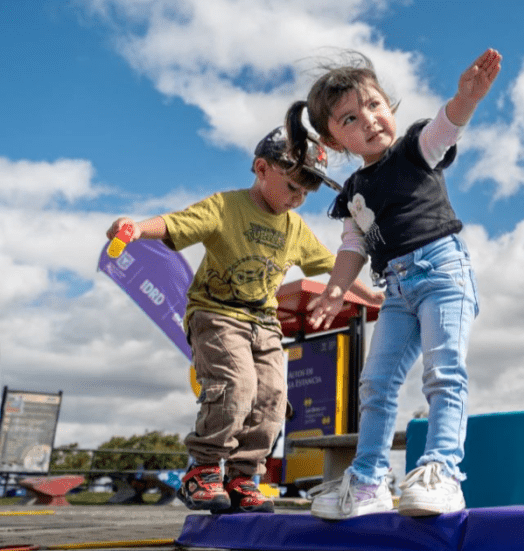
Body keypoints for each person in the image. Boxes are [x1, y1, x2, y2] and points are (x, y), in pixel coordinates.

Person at [105, 127, 382, 514]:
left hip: (263, 322)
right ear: (261, 168)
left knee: (272, 396)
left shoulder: (295, 228)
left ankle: (243, 476)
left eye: (305, 194)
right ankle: (202, 470)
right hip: (216, 314)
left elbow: (334, 266)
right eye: (292, 188)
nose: (297, 199)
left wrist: (369, 293)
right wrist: (135, 229)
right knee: (236, 385)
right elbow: (175, 223)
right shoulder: (225, 207)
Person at [284, 47, 500, 519]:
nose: (369, 121)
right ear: (335, 141)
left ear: (390, 106)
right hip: (396, 291)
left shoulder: (415, 149)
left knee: (443, 373)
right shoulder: (354, 193)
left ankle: (442, 471)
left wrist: (467, 97)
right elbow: (351, 248)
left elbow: (448, 125)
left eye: (374, 106)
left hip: (444, 273)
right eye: (349, 119)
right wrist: (336, 289)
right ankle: (367, 481)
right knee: (375, 384)